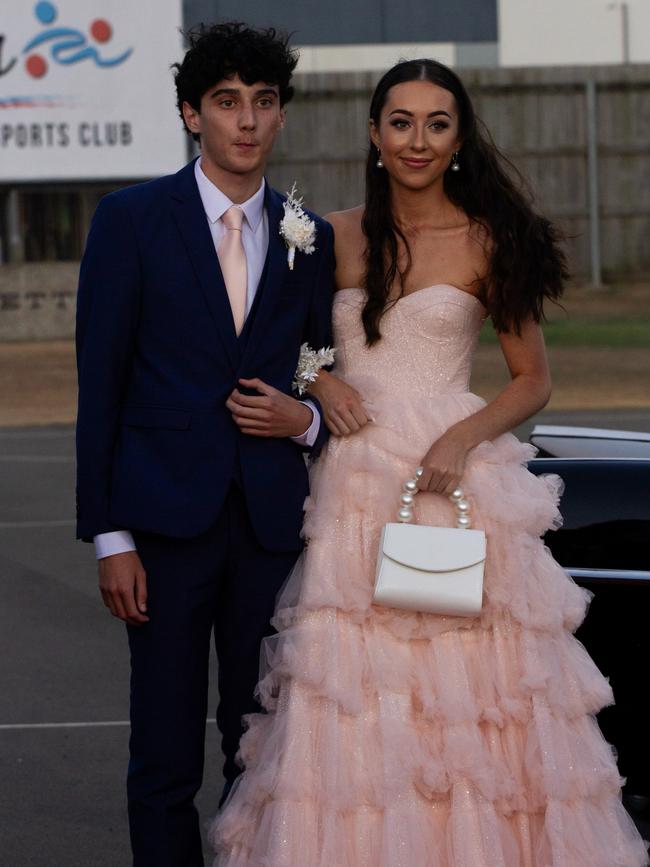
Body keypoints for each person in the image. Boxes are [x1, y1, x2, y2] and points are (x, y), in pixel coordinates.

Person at [210, 59, 649, 865]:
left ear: (459, 138)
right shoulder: (325, 232)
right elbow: (287, 348)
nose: (418, 139)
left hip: (456, 477)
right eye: (402, 121)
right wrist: (324, 379)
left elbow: (533, 380)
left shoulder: (492, 237)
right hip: (350, 479)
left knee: (471, 690)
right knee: (357, 682)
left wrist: (460, 438)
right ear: (375, 135)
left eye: (437, 122)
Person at [75, 22, 334, 867]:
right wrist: (111, 536)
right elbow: (101, 387)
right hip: (162, 528)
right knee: (163, 751)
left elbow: (318, 373)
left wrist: (308, 422)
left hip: (269, 526)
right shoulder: (130, 221)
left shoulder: (311, 236)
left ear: (282, 116)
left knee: (258, 745)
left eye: (263, 102)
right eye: (227, 103)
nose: (247, 121)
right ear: (192, 114)